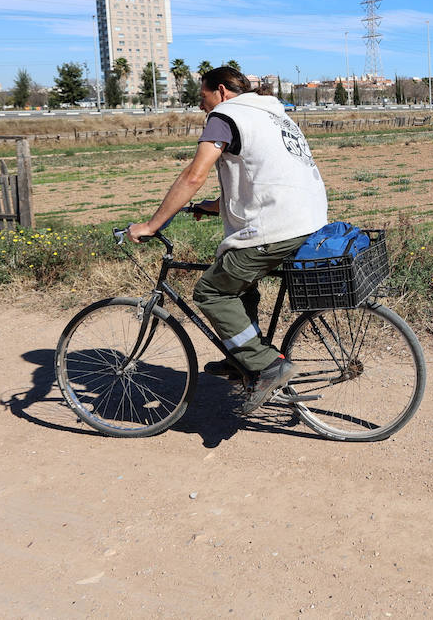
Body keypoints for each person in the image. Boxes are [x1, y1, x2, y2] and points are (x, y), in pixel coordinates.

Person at [127, 65, 328, 415]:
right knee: (235, 279)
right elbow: (264, 174)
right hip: (308, 219)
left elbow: (194, 175)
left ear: (219, 91)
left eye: (201, 97)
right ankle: (241, 359)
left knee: (212, 292)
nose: (200, 106)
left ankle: (266, 365)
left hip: (276, 225)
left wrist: (151, 224)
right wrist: (215, 206)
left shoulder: (224, 116)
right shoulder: (272, 114)